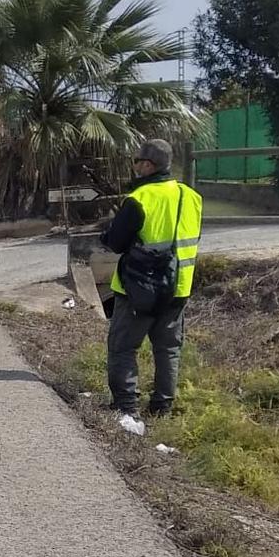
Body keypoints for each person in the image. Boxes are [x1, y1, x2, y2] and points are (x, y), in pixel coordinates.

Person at [102, 138, 203, 432]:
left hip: (138, 290)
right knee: (168, 348)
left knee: (123, 347)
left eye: (137, 161)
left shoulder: (140, 198)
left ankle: (126, 407)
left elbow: (116, 242)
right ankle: (162, 405)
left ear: (148, 165)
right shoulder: (191, 197)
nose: (135, 166)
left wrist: (106, 237)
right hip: (178, 287)